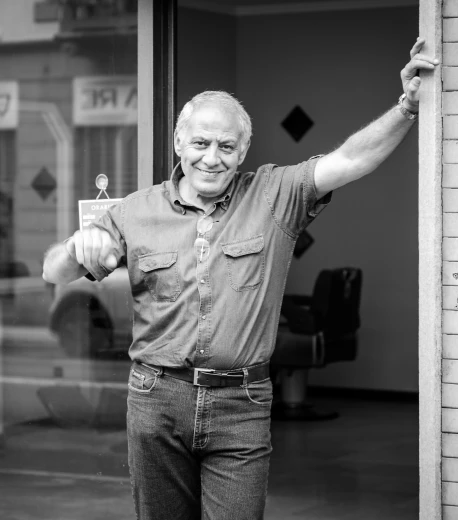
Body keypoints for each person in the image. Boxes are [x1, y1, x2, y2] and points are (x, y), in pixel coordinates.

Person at [42, 37, 438, 520]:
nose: (212, 158)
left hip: (242, 401)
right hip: (156, 399)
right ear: (179, 143)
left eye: (226, 146)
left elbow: (351, 160)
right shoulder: (134, 211)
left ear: (244, 149)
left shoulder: (275, 194)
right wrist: (74, 248)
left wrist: (406, 108)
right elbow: (54, 271)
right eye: (201, 143)